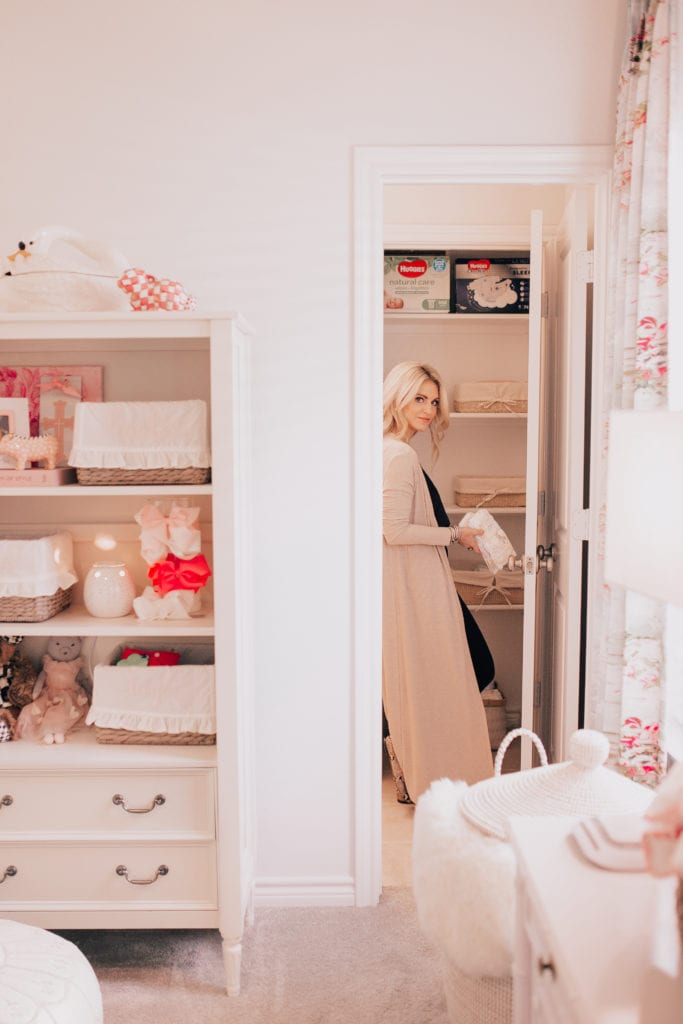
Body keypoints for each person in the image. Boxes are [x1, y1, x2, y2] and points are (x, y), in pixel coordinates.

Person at [383, 361, 494, 803]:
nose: (428, 409)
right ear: (398, 397)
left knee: (415, 680)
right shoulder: (397, 454)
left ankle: (415, 775)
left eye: (433, 401)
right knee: (458, 670)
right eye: (419, 398)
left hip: (415, 580)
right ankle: (429, 775)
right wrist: (455, 534)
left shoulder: (390, 450)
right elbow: (392, 529)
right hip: (414, 584)